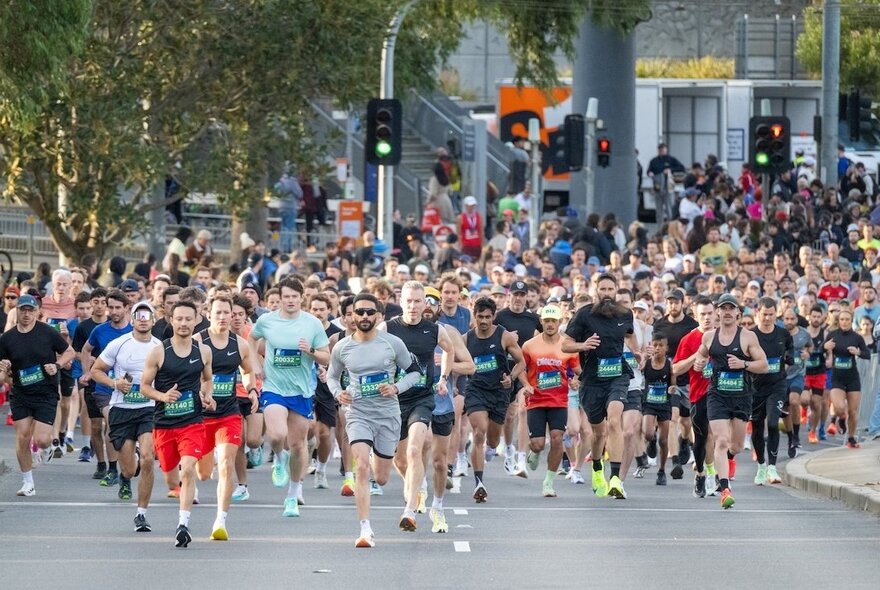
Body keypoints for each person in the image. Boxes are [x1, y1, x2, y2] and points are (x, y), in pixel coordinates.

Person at [326, 292, 422, 548]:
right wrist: (339, 393)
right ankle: (365, 529)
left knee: (381, 477)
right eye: (360, 312)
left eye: (370, 312)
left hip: (388, 414)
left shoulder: (392, 343)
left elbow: (414, 373)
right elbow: (332, 377)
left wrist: (397, 388)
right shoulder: (342, 347)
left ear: (378, 316)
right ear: (352, 316)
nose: (365, 316)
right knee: (361, 467)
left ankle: (372, 457)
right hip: (358, 413)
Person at [247, 277, 330, 517]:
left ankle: (293, 495)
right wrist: (254, 363)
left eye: (295, 296)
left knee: (298, 445)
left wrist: (310, 351)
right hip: (274, 387)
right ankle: (279, 457)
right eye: (286, 297)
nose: (291, 301)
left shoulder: (312, 323)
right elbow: (251, 339)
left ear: (301, 298)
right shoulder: (267, 321)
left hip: (302, 391)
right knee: (277, 435)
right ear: (280, 298)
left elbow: (326, 357)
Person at [140, 301, 215, 547]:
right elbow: (144, 387)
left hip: (192, 422)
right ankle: (179, 496)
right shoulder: (159, 351)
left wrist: (207, 395)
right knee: (173, 480)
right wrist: (163, 396)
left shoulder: (203, 351)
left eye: (188, 319)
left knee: (189, 469)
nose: (184, 323)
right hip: (164, 424)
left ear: (196, 321)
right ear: (171, 320)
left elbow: (207, 379)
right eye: (179, 319)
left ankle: (183, 525)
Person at [562, 273, 641, 500]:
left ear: (616, 290)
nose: (607, 293)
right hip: (592, 381)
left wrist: (635, 352)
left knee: (614, 420)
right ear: (596, 290)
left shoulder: (625, 314)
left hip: (618, 375)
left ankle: (615, 478)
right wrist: (583, 345)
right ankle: (598, 469)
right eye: (603, 289)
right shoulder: (584, 315)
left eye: (610, 289)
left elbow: (630, 335)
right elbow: (564, 345)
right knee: (598, 433)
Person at [385, 281, 456, 530]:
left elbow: (450, 351)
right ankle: (418, 487)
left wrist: (444, 377)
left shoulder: (434, 330)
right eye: (409, 301)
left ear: (425, 303)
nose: (413, 306)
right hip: (393, 400)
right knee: (400, 460)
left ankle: (409, 511)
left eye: (418, 301)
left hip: (422, 399)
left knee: (415, 450)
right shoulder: (388, 328)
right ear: (401, 301)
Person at [90, 301, 161, 531]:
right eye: (138, 315)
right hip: (122, 410)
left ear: (153, 320)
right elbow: (96, 370)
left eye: (146, 315)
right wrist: (114, 383)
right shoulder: (118, 344)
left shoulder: (160, 346)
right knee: (129, 469)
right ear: (132, 319)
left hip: (149, 409)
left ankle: (141, 513)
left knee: (149, 457)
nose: (142, 319)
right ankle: (127, 473)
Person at [693, 293, 769, 509]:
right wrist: (699, 364)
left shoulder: (747, 337)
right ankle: (725, 489)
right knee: (721, 440)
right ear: (718, 312)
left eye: (731, 308)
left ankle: (727, 460)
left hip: (741, 397)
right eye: (723, 308)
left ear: (738, 313)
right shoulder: (709, 337)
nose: (727, 312)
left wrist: (743, 365)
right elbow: (700, 355)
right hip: (717, 396)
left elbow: (763, 365)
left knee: (734, 446)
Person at [193, 294, 258, 540]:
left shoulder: (239, 344)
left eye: (226, 313)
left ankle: (220, 521)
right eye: (217, 312)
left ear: (233, 315)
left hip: (229, 412)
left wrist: (251, 390)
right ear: (208, 314)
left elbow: (248, 371)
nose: (222, 317)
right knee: (203, 473)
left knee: (226, 463)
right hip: (202, 413)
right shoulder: (198, 341)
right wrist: (200, 393)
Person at [0, 294, 75, 497]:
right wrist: (4, 370)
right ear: (16, 311)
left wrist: (57, 365)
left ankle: (48, 445)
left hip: (45, 392)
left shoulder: (47, 333)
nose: (26, 314)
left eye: (30, 310)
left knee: (41, 440)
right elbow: (1, 377)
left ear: (36, 312)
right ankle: (28, 483)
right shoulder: (7, 339)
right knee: (22, 436)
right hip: (21, 393)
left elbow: (70, 352)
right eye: (22, 310)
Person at [421, 286, 474, 532]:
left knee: (440, 462)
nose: (428, 307)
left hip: (441, 402)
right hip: (413, 401)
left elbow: (470, 367)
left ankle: (438, 506)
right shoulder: (398, 331)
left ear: (439, 306)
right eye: (424, 302)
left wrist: (448, 365)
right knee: (414, 450)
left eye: (433, 302)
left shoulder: (449, 333)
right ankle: (418, 488)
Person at [464, 297, 526, 503]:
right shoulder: (467, 339)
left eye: (488, 317)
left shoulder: (504, 336)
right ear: (475, 317)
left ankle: (489, 447)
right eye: (480, 317)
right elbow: (456, 362)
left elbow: (521, 362)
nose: (483, 321)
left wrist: (512, 377)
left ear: (493, 317)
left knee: (491, 440)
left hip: (499, 393)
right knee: (479, 432)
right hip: (476, 391)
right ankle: (479, 483)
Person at [520, 305, 580, 498]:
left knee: (556, 439)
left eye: (554, 321)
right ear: (542, 322)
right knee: (537, 444)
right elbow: (521, 368)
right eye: (547, 321)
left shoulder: (568, 346)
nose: (550, 324)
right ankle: (535, 452)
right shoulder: (529, 345)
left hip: (559, 401)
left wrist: (576, 381)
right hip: (536, 400)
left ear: (559, 322)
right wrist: (525, 385)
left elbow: (577, 371)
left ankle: (548, 482)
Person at [81, 290, 133, 487]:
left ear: (127, 308)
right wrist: (86, 372)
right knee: (111, 422)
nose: (113, 311)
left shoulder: (135, 332)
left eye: (117, 307)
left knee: (125, 430)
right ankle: (112, 469)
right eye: (110, 307)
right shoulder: (100, 330)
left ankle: (126, 461)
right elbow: (86, 350)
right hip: (104, 388)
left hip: (129, 389)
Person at [494, 279, 541, 477]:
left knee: (522, 410)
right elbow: (487, 337)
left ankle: (521, 459)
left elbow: (547, 335)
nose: (519, 299)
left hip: (526, 372)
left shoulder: (533, 318)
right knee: (508, 415)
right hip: (504, 370)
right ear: (509, 296)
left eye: (523, 295)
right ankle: (508, 448)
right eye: (516, 295)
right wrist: (504, 338)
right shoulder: (500, 316)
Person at [653, 289, 697, 480]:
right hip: (668, 379)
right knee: (672, 418)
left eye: (676, 302)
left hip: (688, 378)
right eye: (669, 302)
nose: (673, 306)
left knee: (686, 421)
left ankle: (685, 440)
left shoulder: (692, 325)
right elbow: (654, 348)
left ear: (683, 303)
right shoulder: (659, 324)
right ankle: (676, 460)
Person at [749, 298, 794, 486]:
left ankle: (772, 467)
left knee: (774, 423)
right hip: (756, 387)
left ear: (776, 314)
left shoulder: (783, 334)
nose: (767, 318)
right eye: (764, 314)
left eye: (771, 314)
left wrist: (789, 357)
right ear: (757, 313)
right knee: (757, 428)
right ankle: (761, 466)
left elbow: (791, 353)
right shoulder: (750, 335)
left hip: (777, 385)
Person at [307, 294, 345, 491]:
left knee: (324, 434)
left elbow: (339, 362)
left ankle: (321, 470)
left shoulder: (336, 334)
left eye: (322, 309)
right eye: (314, 309)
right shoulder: (304, 329)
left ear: (329, 311)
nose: (318, 312)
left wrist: (328, 372)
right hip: (305, 384)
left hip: (326, 388)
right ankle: (308, 442)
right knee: (310, 425)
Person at [823, 308, 870, 448]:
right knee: (838, 407)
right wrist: (825, 346)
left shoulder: (857, 337)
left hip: (852, 378)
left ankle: (851, 438)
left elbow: (867, 354)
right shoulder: (832, 335)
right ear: (838, 321)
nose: (844, 322)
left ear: (851, 321)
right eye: (842, 319)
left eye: (847, 319)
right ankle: (841, 418)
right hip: (837, 377)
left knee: (853, 411)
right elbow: (820, 349)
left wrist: (858, 352)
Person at [783, 307, 812, 457]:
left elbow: (811, 347)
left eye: (792, 319)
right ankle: (790, 438)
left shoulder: (804, 334)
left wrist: (808, 353)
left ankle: (796, 434)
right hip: (781, 376)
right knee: (785, 409)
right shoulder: (779, 333)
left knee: (794, 401)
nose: (789, 321)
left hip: (797, 375)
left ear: (796, 319)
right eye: (786, 319)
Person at [803, 305, 828, 444]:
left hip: (819, 372)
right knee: (805, 399)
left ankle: (813, 431)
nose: (816, 319)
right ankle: (803, 411)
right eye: (814, 316)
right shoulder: (805, 333)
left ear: (823, 318)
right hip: (805, 372)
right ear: (809, 317)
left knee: (816, 404)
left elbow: (830, 352)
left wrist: (830, 359)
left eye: (819, 317)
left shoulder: (825, 334)